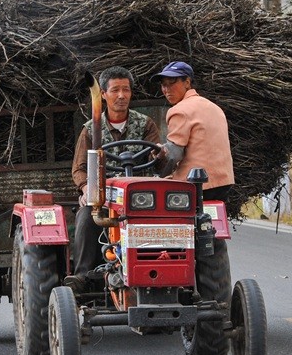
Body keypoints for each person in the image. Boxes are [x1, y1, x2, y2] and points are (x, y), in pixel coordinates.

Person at [67, 66, 161, 287]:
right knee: (86, 216)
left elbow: (160, 162)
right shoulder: (91, 129)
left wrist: (160, 154)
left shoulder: (145, 124)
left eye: (126, 90)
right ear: (104, 95)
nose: (121, 96)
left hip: (140, 195)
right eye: (116, 90)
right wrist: (86, 189)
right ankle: (83, 276)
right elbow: (79, 168)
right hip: (106, 194)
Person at [152, 61, 234, 201]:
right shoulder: (214, 108)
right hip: (223, 182)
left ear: (187, 82)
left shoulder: (179, 110)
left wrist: (159, 163)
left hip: (195, 185)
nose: (167, 89)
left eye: (172, 82)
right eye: (163, 85)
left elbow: (173, 155)